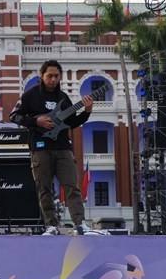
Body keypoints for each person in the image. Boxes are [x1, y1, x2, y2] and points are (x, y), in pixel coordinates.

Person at [9, 59, 102, 235]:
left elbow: (72, 122)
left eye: (56, 76)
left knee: (72, 186)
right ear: (42, 76)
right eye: (49, 76)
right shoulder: (30, 96)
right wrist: (36, 121)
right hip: (40, 148)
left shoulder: (63, 98)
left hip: (63, 148)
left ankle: (80, 224)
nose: (53, 79)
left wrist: (87, 111)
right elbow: (14, 116)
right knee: (44, 188)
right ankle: (51, 225)